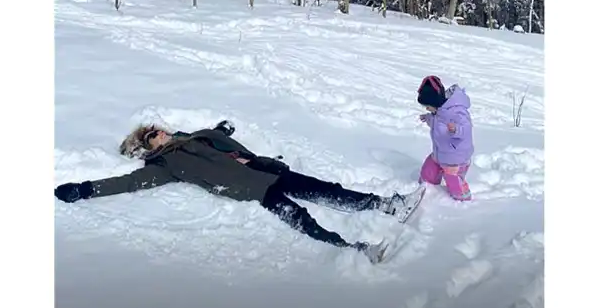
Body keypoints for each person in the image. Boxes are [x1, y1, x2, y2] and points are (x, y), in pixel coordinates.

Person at [54, 119, 424, 263]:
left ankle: (388, 206)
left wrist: (221, 131)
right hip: (253, 190)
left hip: (268, 169)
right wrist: (86, 189)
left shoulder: (190, 136)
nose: (160, 132)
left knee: (327, 189)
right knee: (303, 220)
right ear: (146, 147)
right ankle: (358, 249)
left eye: (157, 127)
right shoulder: (165, 165)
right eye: (152, 135)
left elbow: (218, 143)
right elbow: (128, 183)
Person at [417, 75, 474, 201]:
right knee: (428, 171)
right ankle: (427, 186)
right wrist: (428, 118)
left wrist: (456, 130)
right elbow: (437, 121)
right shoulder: (438, 111)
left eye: (427, 105)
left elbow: (467, 128)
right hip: (441, 153)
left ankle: (462, 199)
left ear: (435, 101)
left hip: (455, 157)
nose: (427, 108)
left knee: (453, 180)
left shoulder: (457, 111)